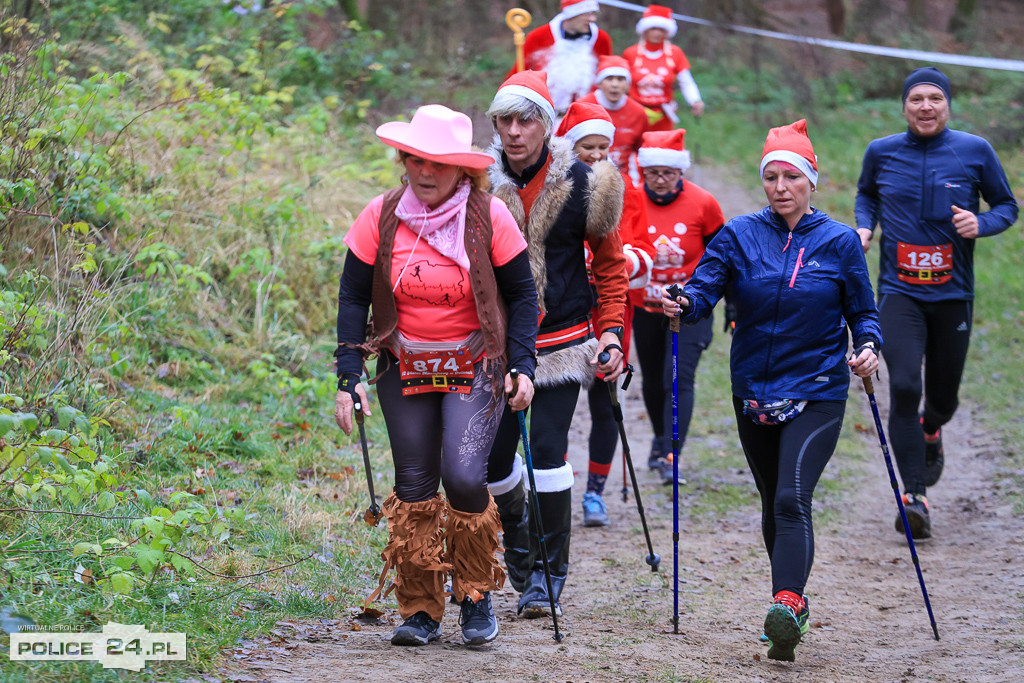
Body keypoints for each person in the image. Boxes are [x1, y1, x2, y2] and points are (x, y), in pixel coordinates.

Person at [663, 119, 882, 662]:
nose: (781, 186)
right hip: (753, 392)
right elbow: (704, 289)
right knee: (772, 501)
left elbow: (863, 311)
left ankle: (787, 601)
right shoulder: (739, 234)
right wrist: (684, 303)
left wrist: (869, 346)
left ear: (812, 181)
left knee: (792, 497)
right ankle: (787, 608)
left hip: (819, 389)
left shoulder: (838, 242)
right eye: (771, 176)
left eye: (791, 176)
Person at [333, 104, 540, 647]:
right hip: (405, 363)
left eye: (438, 163)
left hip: (475, 363)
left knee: (466, 475)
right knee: (415, 485)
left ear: (463, 170)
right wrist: (348, 375)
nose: (424, 172)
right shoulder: (380, 216)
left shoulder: (489, 215)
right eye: (416, 160)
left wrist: (523, 364)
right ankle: (420, 608)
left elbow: (521, 295)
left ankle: (474, 594)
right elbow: (354, 297)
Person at [484, 72, 629, 617]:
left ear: (546, 124)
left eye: (527, 120)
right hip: (495, 345)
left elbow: (612, 267)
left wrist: (611, 332)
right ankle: (519, 546)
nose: (516, 131)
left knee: (545, 451)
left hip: (562, 342)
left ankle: (547, 575)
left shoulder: (587, 185)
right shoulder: (477, 185)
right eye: (506, 120)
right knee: (496, 462)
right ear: (495, 125)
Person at [855, 66, 1018, 540]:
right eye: (916, 100)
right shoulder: (881, 152)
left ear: (947, 104)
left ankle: (932, 427)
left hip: (953, 297)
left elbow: (1006, 205)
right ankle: (914, 496)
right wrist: (865, 225)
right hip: (899, 293)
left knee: (942, 399)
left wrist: (980, 224)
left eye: (934, 99)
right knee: (904, 386)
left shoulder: (975, 151)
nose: (925, 107)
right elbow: (866, 194)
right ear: (904, 106)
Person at [554, 101, 656, 527]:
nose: (595, 156)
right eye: (586, 148)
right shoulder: (552, 190)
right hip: (562, 312)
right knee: (555, 405)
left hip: (611, 309)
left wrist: (626, 261)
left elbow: (641, 251)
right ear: (568, 148)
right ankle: (552, 481)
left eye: (602, 147)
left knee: (605, 401)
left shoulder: (623, 189)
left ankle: (595, 492)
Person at [630, 129, 724, 484]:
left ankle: (673, 455)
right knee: (653, 383)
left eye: (667, 173)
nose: (660, 180)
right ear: (644, 171)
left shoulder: (704, 203)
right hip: (646, 308)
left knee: (678, 379)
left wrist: (725, 306)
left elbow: (723, 257)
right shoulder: (632, 201)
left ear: (680, 172)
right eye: (652, 172)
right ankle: (659, 439)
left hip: (690, 309)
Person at [507, 0, 613, 116]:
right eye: (587, 14)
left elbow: (607, 77)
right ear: (572, 14)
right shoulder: (539, 36)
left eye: (593, 14)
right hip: (540, 116)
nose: (593, 19)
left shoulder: (601, 39)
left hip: (586, 116)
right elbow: (518, 75)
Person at [622, 4, 704, 132]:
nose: (657, 33)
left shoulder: (675, 53)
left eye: (662, 29)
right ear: (645, 29)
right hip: (635, 112)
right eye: (653, 28)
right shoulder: (631, 53)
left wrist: (695, 100)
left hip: (664, 114)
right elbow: (622, 82)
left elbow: (686, 81)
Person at [579, 55, 650, 179]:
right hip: (586, 175)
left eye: (620, 79)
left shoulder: (638, 112)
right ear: (599, 83)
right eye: (609, 78)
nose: (615, 85)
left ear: (628, 85)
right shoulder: (582, 106)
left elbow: (643, 151)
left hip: (623, 177)